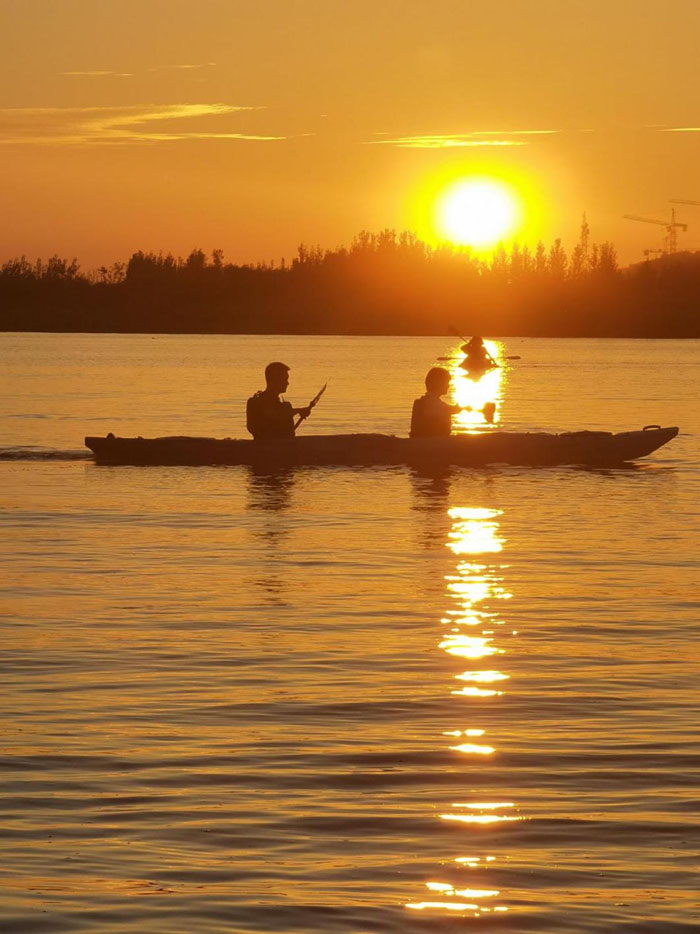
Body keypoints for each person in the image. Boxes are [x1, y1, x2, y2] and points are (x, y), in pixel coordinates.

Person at [246, 361, 311, 440]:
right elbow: (272, 414)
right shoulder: (254, 403)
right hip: (265, 448)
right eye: (285, 379)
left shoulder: (284, 407)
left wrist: (296, 411)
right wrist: (297, 411)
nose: (287, 383)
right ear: (275, 380)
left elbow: (277, 413)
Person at [410, 367, 461, 438]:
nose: (448, 385)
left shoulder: (423, 402)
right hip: (431, 443)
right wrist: (460, 408)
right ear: (439, 384)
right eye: (446, 382)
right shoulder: (432, 404)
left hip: (424, 441)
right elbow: (446, 409)